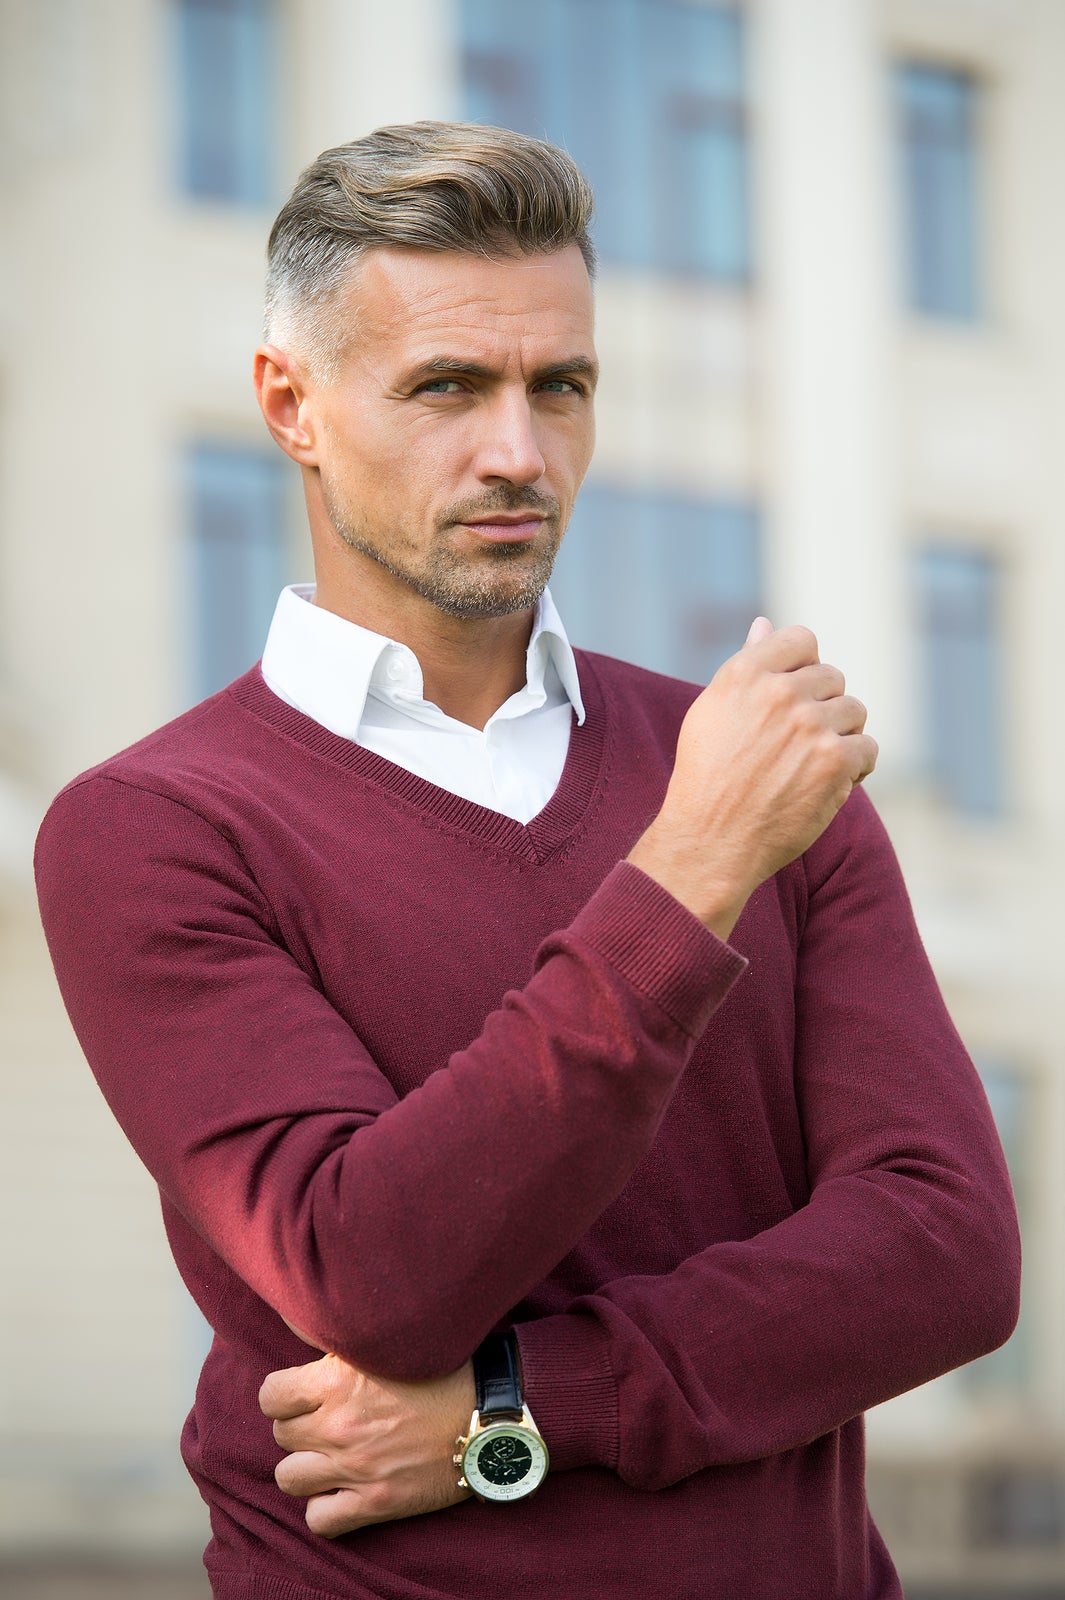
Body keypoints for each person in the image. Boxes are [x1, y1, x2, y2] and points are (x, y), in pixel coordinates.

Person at [35, 122, 1020, 1600]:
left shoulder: (754, 775)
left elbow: (946, 1252)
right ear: (289, 404)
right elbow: (370, 1271)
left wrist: (521, 1406)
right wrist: (688, 869)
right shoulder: (158, 827)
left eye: (559, 386)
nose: (517, 451)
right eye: (445, 387)